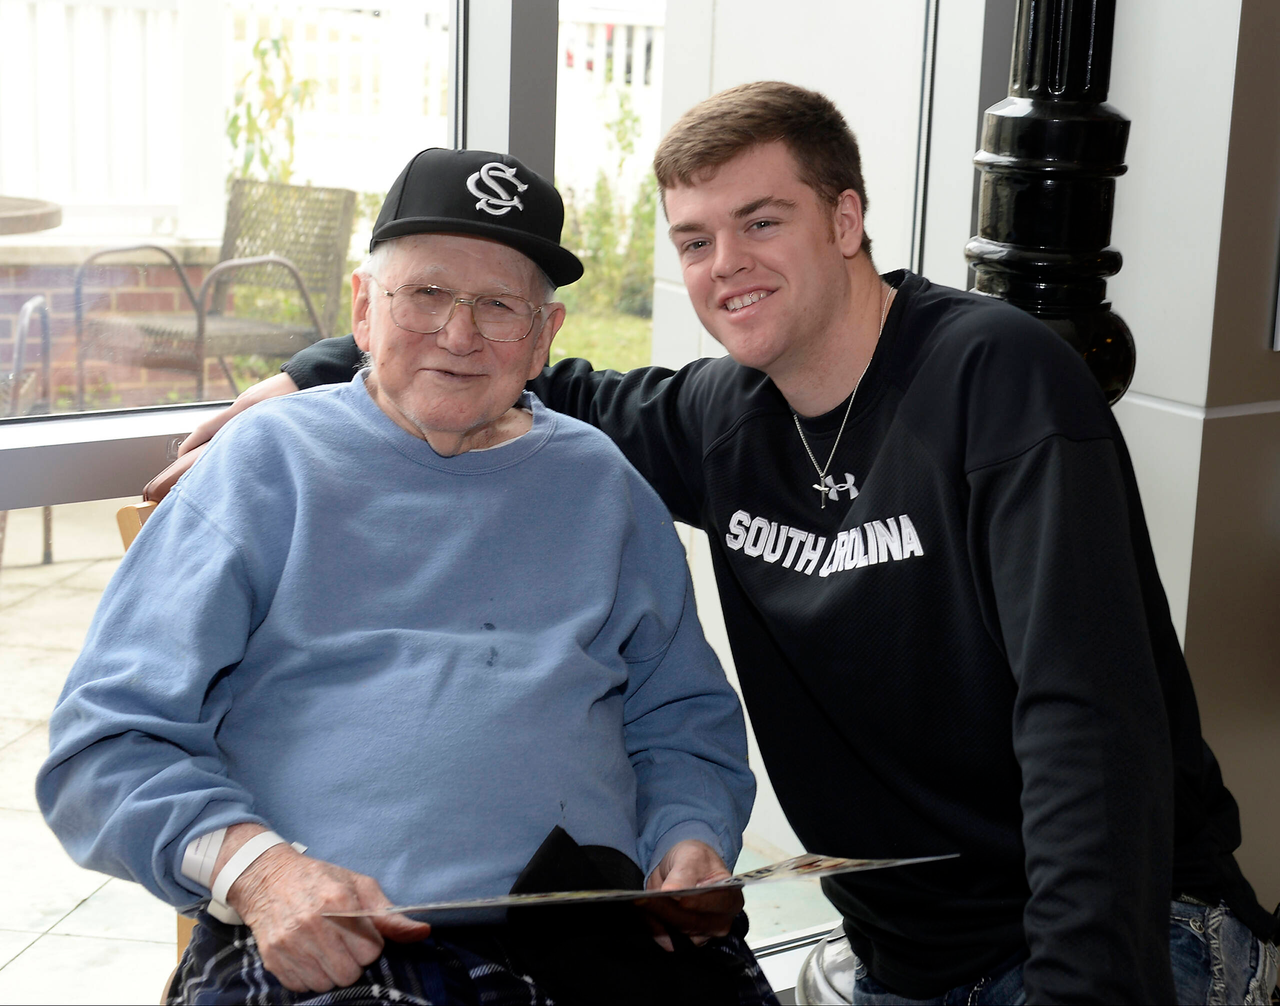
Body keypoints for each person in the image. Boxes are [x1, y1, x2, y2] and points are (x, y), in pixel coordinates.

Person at [151, 84, 1279, 1004]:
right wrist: (314, 373)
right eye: (694, 239)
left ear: (846, 220)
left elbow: (1088, 721)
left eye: (762, 221)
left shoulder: (998, 376)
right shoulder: (718, 417)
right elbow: (502, 361)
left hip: (1117, 932)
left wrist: (1085, 990)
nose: (724, 262)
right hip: (903, 956)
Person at [37, 147, 778, 1006]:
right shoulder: (265, 466)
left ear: (544, 338)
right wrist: (260, 873)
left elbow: (682, 719)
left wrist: (690, 838)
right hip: (342, 937)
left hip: (597, 935)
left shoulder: (602, 484)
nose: (459, 336)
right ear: (363, 308)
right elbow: (105, 744)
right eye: (425, 293)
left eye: (498, 306)